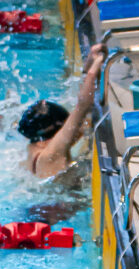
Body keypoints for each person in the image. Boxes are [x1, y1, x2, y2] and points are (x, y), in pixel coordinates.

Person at [18, 43, 106, 180]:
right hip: (63, 201)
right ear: (57, 130)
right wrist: (95, 66)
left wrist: (90, 61)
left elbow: (82, 107)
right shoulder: (52, 153)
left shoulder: (34, 148)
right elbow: (82, 106)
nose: (77, 130)